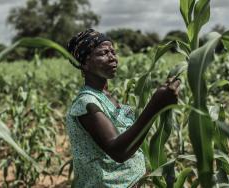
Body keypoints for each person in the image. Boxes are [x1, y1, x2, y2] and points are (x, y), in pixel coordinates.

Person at [65, 28, 180, 187]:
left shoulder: (107, 97)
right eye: (103, 53)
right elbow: (118, 151)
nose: (112, 58)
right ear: (84, 63)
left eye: (113, 51)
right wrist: (155, 106)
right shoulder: (87, 102)